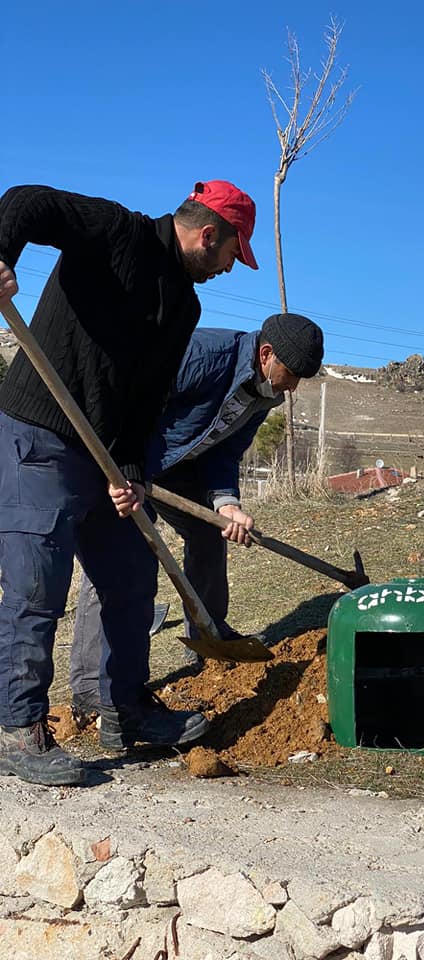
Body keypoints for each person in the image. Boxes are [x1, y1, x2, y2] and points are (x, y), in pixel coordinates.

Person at [0, 179, 259, 786]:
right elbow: (26, 201)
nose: (229, 268)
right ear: (208, 234)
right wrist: (2, 252)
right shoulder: (117, 231)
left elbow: (150, 403)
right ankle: (18, 728)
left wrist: (137, 474)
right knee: (39, 586)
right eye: (231, 255)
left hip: (109, 457)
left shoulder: (186, 307)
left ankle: (126, 710)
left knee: (131, 581)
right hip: (41, 434)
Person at [70, 313, 324, 716]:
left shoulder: (266, 392)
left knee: (208, 536)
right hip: (132, 460)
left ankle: (210, 634)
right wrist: (123, 468)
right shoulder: (203, 354)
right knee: (116, 557)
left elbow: (227, 450)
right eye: (291, 374)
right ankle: (88, 690)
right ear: (266, 353)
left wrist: (227, 503)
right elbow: (133, 399)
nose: (292, 387)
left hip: (183, 469)